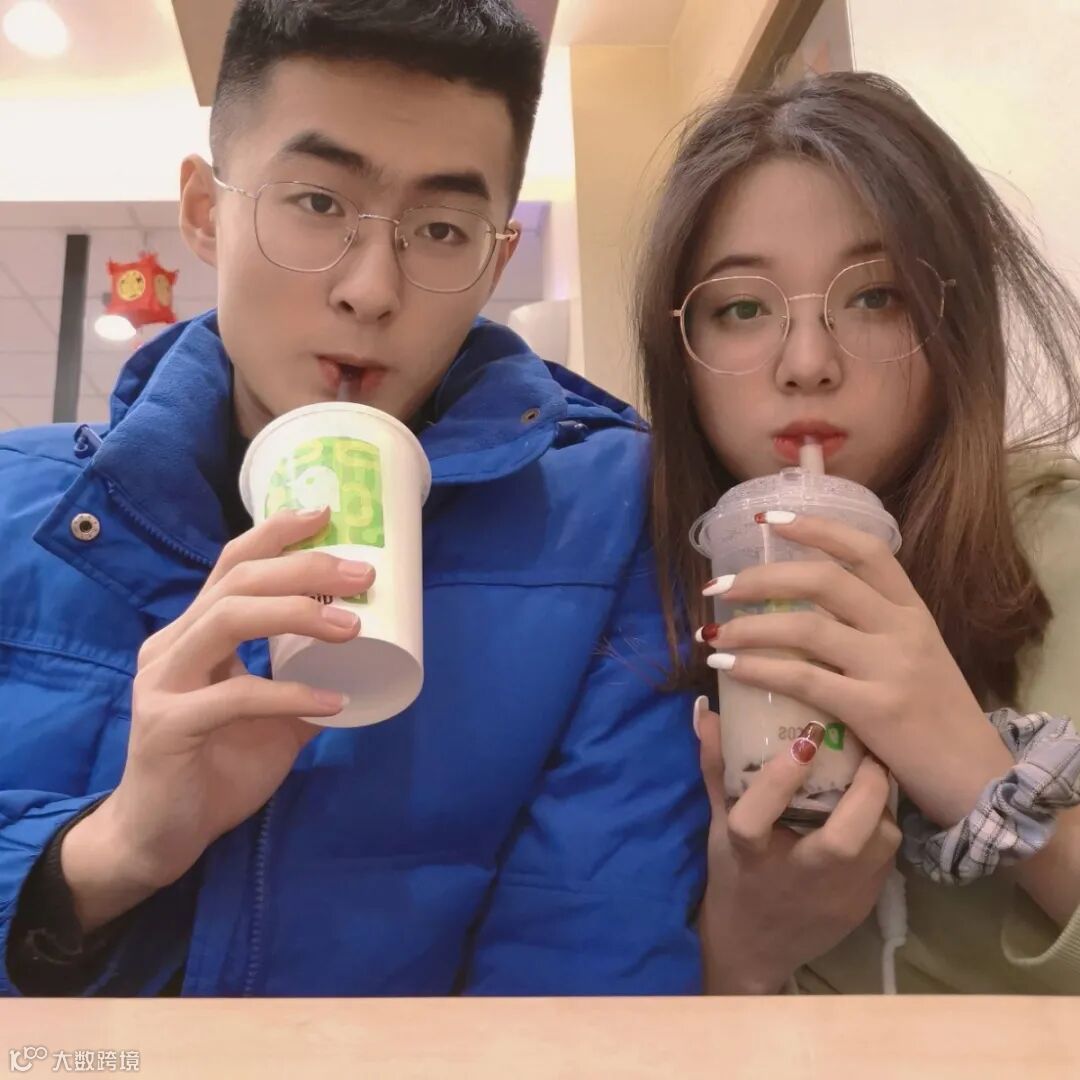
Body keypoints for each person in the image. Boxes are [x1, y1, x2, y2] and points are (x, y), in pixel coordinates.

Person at [0, 0, 707, 997]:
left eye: (442, 228)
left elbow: (589, 968)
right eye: (318, 203)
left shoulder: (612, 519)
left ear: (496, 261)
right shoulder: (19, 503)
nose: (371, 289)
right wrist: (111, 852)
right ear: (204, 211)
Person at [635, 71, 1080, 994]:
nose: (808, 364)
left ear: (956, 319)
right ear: (680, 352)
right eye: (742, 308)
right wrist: (743, 944)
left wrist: (975, 770)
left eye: (877, 296)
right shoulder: (634, 600)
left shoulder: (1061, 549)